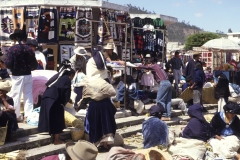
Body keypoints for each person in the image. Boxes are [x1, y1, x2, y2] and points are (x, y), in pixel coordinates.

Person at [84, 47, 116, 152]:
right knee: (106, 124)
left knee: (95, 124)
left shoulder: (89, 62)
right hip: (105, 104)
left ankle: (94, 144)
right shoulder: (103, 65)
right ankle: (105, 145)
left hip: (94, 103)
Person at [5, 29, 38, 122]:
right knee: (28, 95)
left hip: (17, 75)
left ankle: (15, 116)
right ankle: (27, 116)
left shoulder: (13, 49)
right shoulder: (29, 49)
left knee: (16, 96)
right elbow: (34, 64)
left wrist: (13, 68)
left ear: (15, 38)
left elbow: (8, 63)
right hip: (28, 75)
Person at [38, 68, 75, 145]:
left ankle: (53, 135)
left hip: (46, 97)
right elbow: (66, 94)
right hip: (53, 99)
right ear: (71, 75)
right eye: (72, 77)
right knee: (57, 118)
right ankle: (56, 140)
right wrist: (68, 100)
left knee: (52, 117)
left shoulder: (58, 76)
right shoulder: (67, 79)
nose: (72, 78)